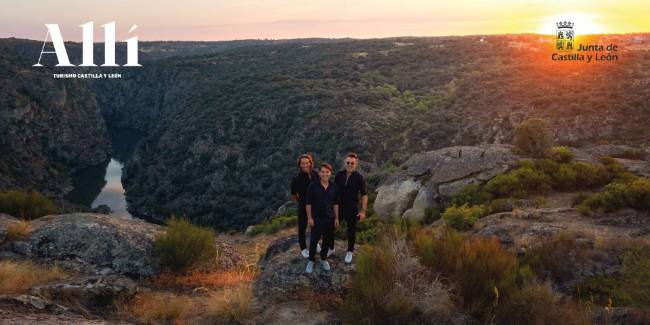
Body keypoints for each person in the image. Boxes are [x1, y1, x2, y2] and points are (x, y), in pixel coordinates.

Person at [333, 153, 368, 264]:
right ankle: (330, 247)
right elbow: (333, 191)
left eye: (352, 163)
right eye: (348, 162)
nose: (350, 164)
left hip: (352, 208)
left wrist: (363, 210)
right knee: (331, 227)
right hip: (338, 207)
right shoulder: (339, 175)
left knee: (351, 230)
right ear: (345, 163)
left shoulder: (359, 178)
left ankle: (350, 251)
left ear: (356, 164)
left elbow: (364, 194)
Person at [304, 163, 339, 273]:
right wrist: (309, 218)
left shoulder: (334, 187)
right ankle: (311, 260)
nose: (325, 174)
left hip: (329, 218)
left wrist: (337, 217)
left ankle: (323, 258)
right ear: (319, 173)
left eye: (327, 172)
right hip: (316, 218)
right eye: (322, 172)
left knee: (327, 240)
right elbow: (308, 203)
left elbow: (336, 203)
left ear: (330, 173)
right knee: (314, 240)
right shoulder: (313, 186)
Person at [290, 154, 320, 258]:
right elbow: (293, 194)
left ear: (310, 163)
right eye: (303, 163)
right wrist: (301, 201)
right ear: (300, 165)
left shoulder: (315, 174)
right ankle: (303, 249)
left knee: (315, 226)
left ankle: (315, 243)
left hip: (316, 205)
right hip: (303, 206)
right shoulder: (297, 179)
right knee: (302, 228)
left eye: (307, 162)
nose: (305, 165)